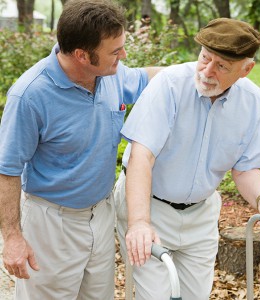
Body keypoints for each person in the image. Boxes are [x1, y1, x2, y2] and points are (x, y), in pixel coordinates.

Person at [114, 18, 260, 300]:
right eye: (205, 58)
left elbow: (245, 169)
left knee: (196, 295)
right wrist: (139, 223)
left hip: (201, 213)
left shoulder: (252, 100)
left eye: (222, 66)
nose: (207, 71)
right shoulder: (169, 85)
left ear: (246, 69)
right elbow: (141, 158)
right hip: (150, 207)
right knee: (155, 296)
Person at [0, 0, 163, 299]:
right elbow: (6, 170)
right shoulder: (29, 95)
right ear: (82, 55)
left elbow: (149, 77)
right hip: (52, 224)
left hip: (101, 215)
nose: (123, 56)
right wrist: (11, 237)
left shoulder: (111, 75)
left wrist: (205, 69)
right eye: (115, 51)